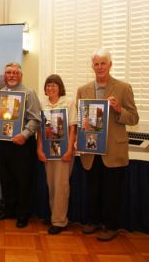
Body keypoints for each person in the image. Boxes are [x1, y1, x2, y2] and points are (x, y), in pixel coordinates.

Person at [77, 48, 139, 241]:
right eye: (96, 63)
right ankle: (94, 221)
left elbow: (134, 118)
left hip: (114, 150)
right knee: (93, 189)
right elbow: (80, 120)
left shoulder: (123, 88)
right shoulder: (83, 90)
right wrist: (83, 123)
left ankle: (111, 226)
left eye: (103, 63)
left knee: (112, 192)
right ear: (92, 66)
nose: (99, 67)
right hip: (91, 149)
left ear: (110, 65)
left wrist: (119, 109)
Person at [0, 62, 41, 228]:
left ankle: (22, 214)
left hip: (21, 144)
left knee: (23, 180)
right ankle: (9, 209)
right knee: (6, 179)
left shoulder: (29, 93)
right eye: (8, 73)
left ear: (20, 75)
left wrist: (25, 134)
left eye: (14, 73)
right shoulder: (0, 94)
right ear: (4, 76)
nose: (11, 75)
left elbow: (36, 119)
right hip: (2, 143)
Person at [36, 74, 77, 234]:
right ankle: (55, 215)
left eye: (54, 85)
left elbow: (73, 128)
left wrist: (69, 151)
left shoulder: (68, 103)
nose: (50, 88)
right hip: (48, 151)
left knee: (61, 186)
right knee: (51, 184)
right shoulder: (42, 103)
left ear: (60, 87)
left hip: (63, 152)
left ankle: (60, 221)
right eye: (48, 85)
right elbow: (40, 130)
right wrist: (39, 149)